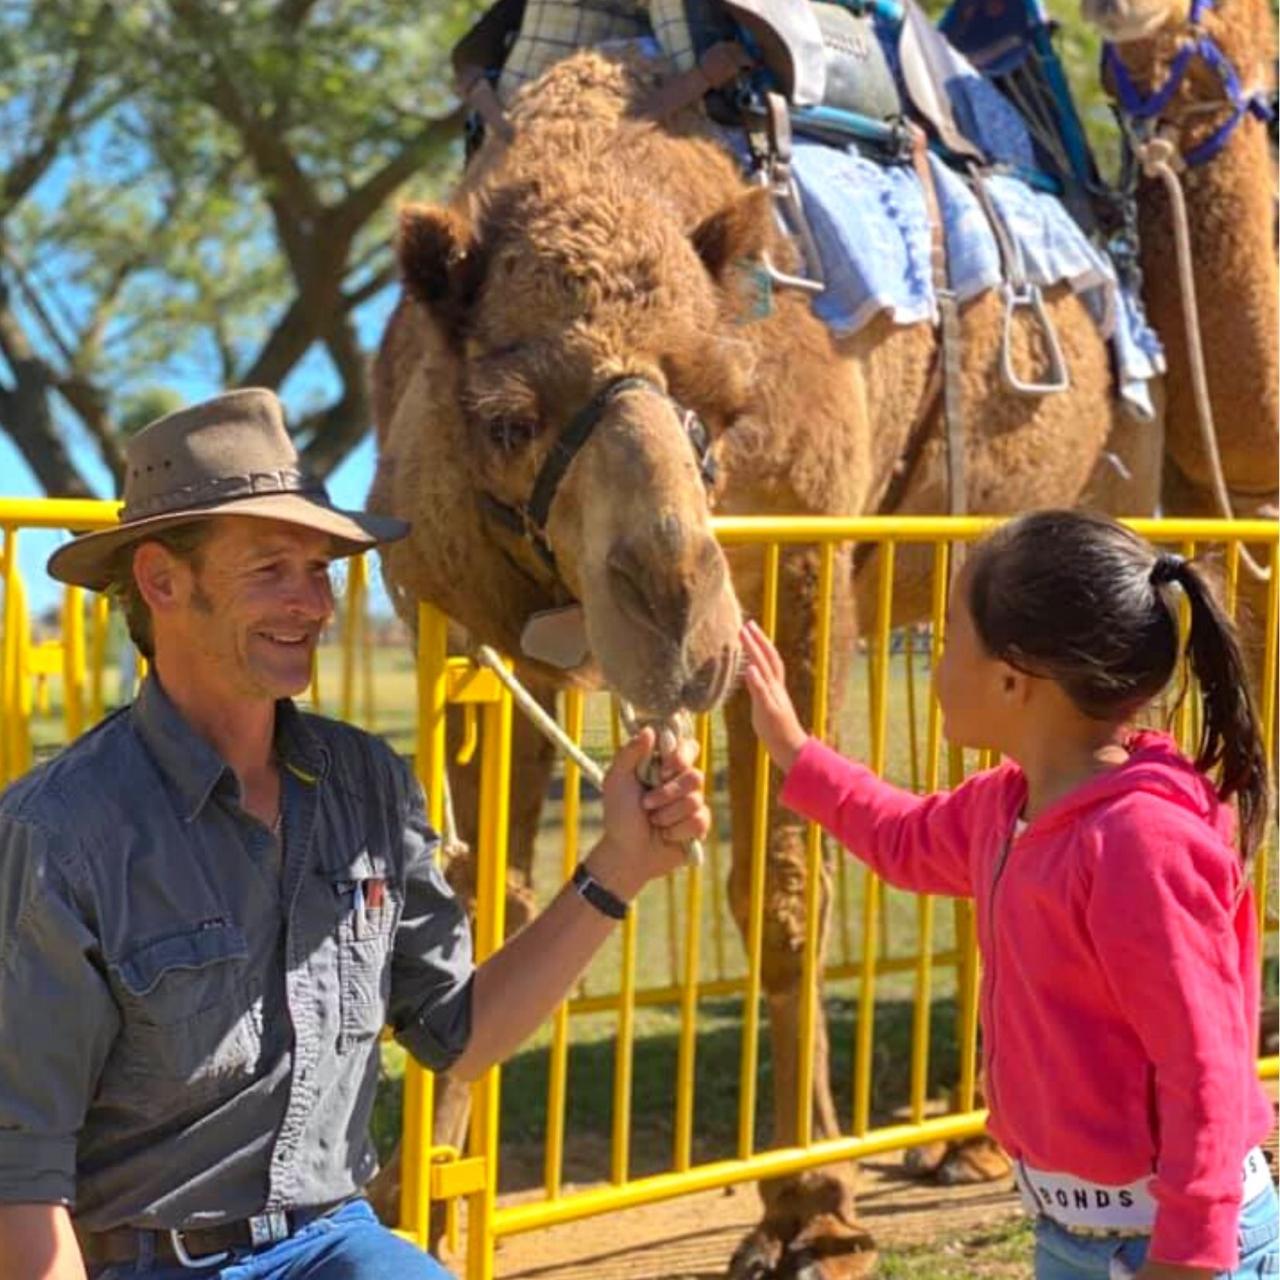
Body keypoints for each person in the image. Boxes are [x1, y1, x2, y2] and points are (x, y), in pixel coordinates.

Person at [0, 389, 710, 1280]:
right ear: (162, 581)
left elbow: (461, 1032)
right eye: (272, 569)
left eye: (320, 570)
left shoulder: (366, 784)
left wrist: (620, 865)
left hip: (337, 1242)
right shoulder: (61, 832)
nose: (313, 603)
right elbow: (21, 1176)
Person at [720, 509, 1276, 1280]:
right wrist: (792, 747)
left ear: (1014, 679)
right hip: (1076, 1237)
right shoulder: (1007, 807)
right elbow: (901, 836)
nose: (935, 656)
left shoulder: (1140, 844)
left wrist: (1185, 1258)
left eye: (950, 638)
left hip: (1176, 1250)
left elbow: (1203, 1069)